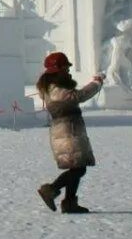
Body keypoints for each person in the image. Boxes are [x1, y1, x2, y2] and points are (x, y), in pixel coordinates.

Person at [35, 52, 105, 214]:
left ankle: (69, 203)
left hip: (69, 132)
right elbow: (79, 96)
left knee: (77, 167)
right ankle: (50, 190)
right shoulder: (56, 90)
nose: (68, 71)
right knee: (78, 169)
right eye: (65, 68)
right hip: (67, 134)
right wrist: (96, 83)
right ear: (57, 70)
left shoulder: (53, 87)